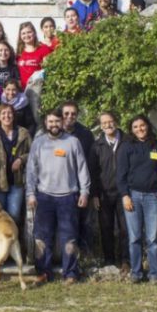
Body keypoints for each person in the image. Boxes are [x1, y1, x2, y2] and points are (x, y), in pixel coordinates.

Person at [26, 109, 91, 284]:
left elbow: (82, 168)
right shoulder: (38, 143)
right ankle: (43, 273)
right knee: (41, 238)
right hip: (44, 196)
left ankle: (70, 273)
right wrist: (31, 193)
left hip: (68, 197)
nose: (54, 125)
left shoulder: (73, 142)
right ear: (46, 123)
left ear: (62, 122)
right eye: (51, 122)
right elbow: (31, 171)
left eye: (57, 121)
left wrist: (84, 191)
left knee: (69, 237)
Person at [117, 114, 157, 284]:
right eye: (135, 127)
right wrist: (125, 196)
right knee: (134, 238)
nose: (139, 129)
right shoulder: (126, 147)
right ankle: (136, 273)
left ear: (148, 126)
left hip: (154, 197)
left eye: (142, 125)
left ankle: (154, 274)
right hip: (133, 196)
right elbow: (120, 174)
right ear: (131, 129)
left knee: (152, 239)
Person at [0, 103, 33, 224]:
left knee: (14, 215)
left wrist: (21, 159)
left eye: (9, 113)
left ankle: (12, 240)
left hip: (17, 182)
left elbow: (33, 154)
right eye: (3, 113)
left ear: (14, 115)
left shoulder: (24, 133)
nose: (7, 116)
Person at [91, 112, 128, 270]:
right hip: (104, 193)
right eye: (104, 123)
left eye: (110, 121)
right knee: (106, 228)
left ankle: (126, 260)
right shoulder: (96, 146)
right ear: (100, 126)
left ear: (117, 121)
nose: (108, 125)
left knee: (125, 228)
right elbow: (92, 171)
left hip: (124, 193)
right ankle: (109, 261)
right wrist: (94, 194)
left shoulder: (128, 142)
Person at [61, 101, 97, 257]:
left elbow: (91, 163)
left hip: (80, 185)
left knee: (84, 222)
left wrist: (88, 190)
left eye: (73, 114)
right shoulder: (53, 132)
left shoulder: (85, 134)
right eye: (66, 113)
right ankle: (65, 255)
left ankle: (85, 256)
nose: (70, 117)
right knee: (65, 224)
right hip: (59, 187)